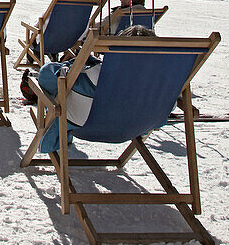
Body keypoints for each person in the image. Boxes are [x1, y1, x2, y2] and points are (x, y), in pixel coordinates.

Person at [25, 24, 156, 152]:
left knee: (58, 86)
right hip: (135, 127)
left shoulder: (94, 75)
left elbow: (46, 76)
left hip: (86, 125)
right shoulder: (157, 87)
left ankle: (54, 133)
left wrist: (72, 65)